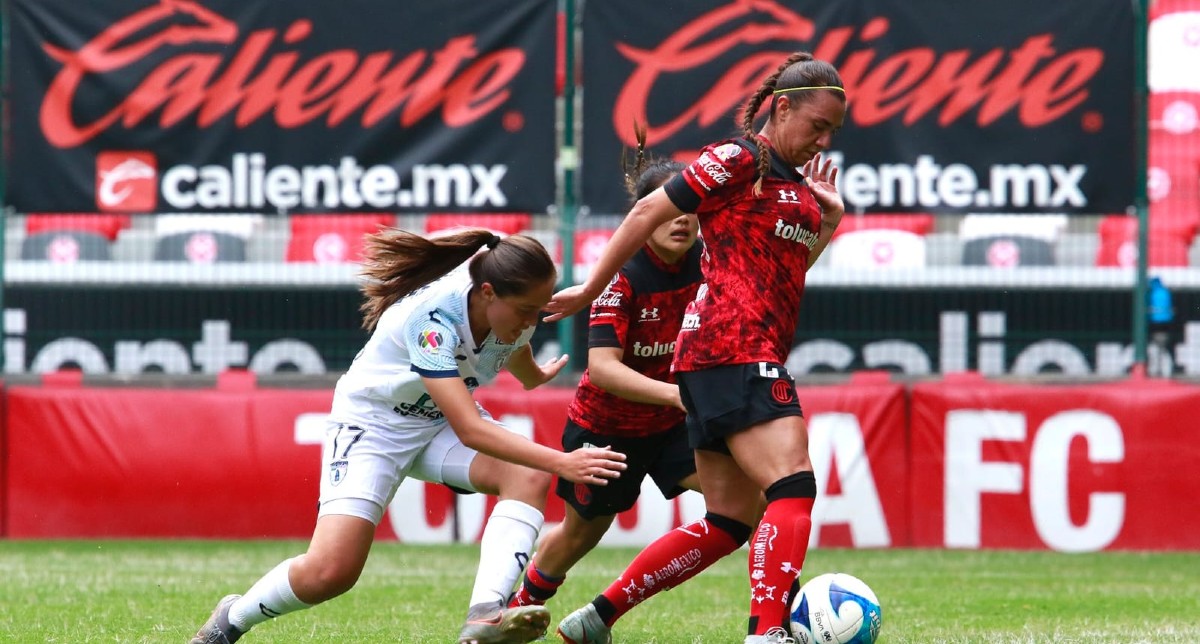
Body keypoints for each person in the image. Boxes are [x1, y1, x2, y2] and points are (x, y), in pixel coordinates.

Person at [189, 229, 627, 644]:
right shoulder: (434, 320)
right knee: (331, 573)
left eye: (539, 308)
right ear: (488, 293)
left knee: (524, 476)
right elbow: (471, 430)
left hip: (433, 422)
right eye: (527, 311)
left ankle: (485, 615)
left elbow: (512, 341)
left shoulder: (515, 301)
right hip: (373, 427)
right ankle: (232, 618)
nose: (536, 319)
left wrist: (532, 376)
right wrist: (561, 461)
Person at [545, 51, 847, 644]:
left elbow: (781, 277)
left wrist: (827, 225)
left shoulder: (795, 185)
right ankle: (766, 634)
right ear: (781, 108)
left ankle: (596, 618)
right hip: (731, 348)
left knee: (732, 519)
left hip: (722, 354)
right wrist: (591, 288)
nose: (824, 140)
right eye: (817, 126)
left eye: (833, 131)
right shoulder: (739, 159)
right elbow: (648, 208)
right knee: (792, 486)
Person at [508, 142, 740, 621]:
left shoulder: (708, 259)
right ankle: (518, 608)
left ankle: (779, 611)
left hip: (676, 426)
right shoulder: (620, 277)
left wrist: (820, 229)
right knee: (581, 533)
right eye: (670, 211)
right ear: (645, 214)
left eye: (690, 210)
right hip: (608, 430)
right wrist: (680, 395)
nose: (682, 220)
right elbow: (603, 370)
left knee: (748, 502)